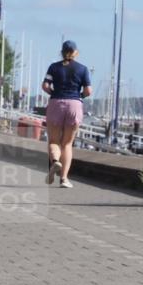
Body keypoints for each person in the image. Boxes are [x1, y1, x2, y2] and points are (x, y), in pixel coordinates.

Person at [41, 40, 91, 188]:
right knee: (67, 143)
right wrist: (79, 96)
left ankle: (55, 161)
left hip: (56, 102)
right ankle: (64, 179)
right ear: (75, 52)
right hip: (74, 104)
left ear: (62, 52)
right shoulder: (82, 69)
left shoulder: (54, 67)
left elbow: (45, 86)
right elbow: (88, 91)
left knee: (54, 141)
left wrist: (54, 92)